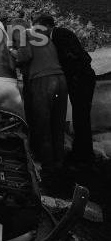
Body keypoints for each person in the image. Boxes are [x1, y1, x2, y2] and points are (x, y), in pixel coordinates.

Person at [32, 13, 96, 166]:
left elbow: (74, 57)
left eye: (39, 29)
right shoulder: (60, 35)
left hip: (81, 80)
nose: (38, 33)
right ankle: (82, 153)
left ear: (47, 26)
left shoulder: (60, 35)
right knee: (81, 117)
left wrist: (72, 76)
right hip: (80, 79)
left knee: (81, 118)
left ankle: (83, 155)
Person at [11, 22, 68, 178]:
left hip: (43, 81)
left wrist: (11, 53)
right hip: (60, 80)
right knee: (57, 125)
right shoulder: (41, 36)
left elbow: (25, 55)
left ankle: (47, 166)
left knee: (42, 124)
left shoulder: (18, 31)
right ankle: (59, 162)